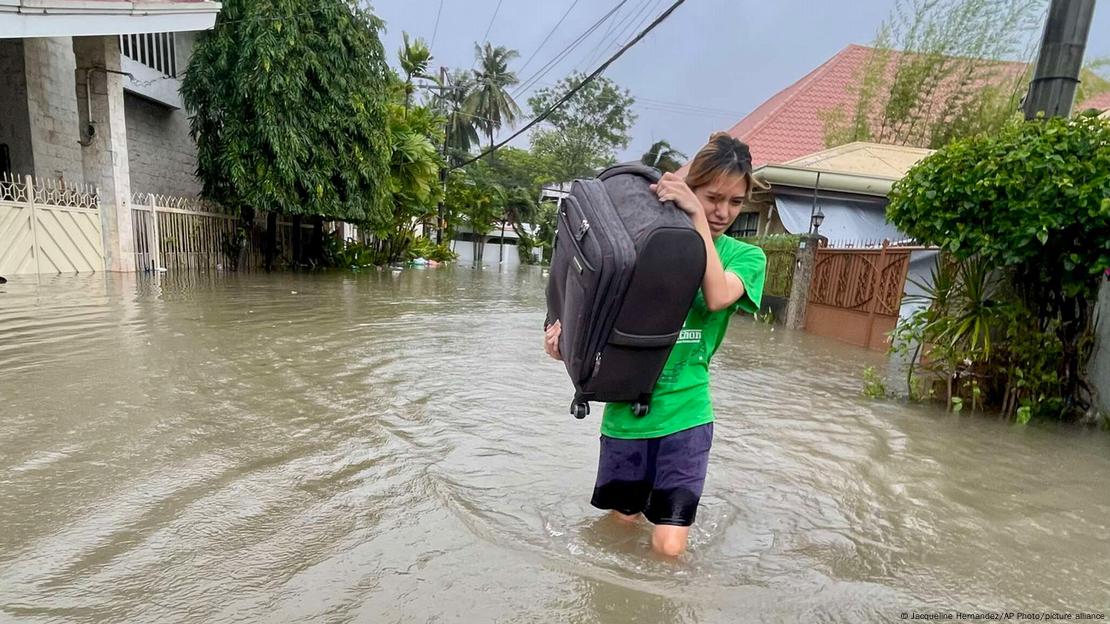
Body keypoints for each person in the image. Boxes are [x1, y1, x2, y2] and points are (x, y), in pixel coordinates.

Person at [543, 132, 767, 557]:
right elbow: (594, 302)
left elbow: (717, 296)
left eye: (735, 202)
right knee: (619, 533)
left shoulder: (746, 258)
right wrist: (561, 339)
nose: (722, 212)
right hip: (627, 412)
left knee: (668, 548)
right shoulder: (647, 242)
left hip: (687, 413)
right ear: (690, 187)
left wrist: (696, 219)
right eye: (711, 197)